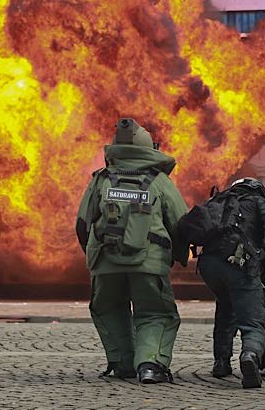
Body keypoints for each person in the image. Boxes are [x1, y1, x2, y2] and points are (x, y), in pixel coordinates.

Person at [75, 118, 189, 384]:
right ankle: (150, 365)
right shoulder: (159, 181)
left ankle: (123, 363)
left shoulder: (100, 180)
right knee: (155, 313)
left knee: (109, 309)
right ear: (149, 148)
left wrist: (93, 257)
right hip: (148, 264)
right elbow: (181, 223)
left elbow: (82, 224)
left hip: (105, 264)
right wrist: (178, 255)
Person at [178, 177, 265, 389]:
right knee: (253, 321)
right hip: (239, 262)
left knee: (226, 306)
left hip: (209, 265)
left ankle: (221, 362)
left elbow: (186, 224)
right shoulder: (257, 201)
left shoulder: (218, 201)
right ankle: (250, 355)